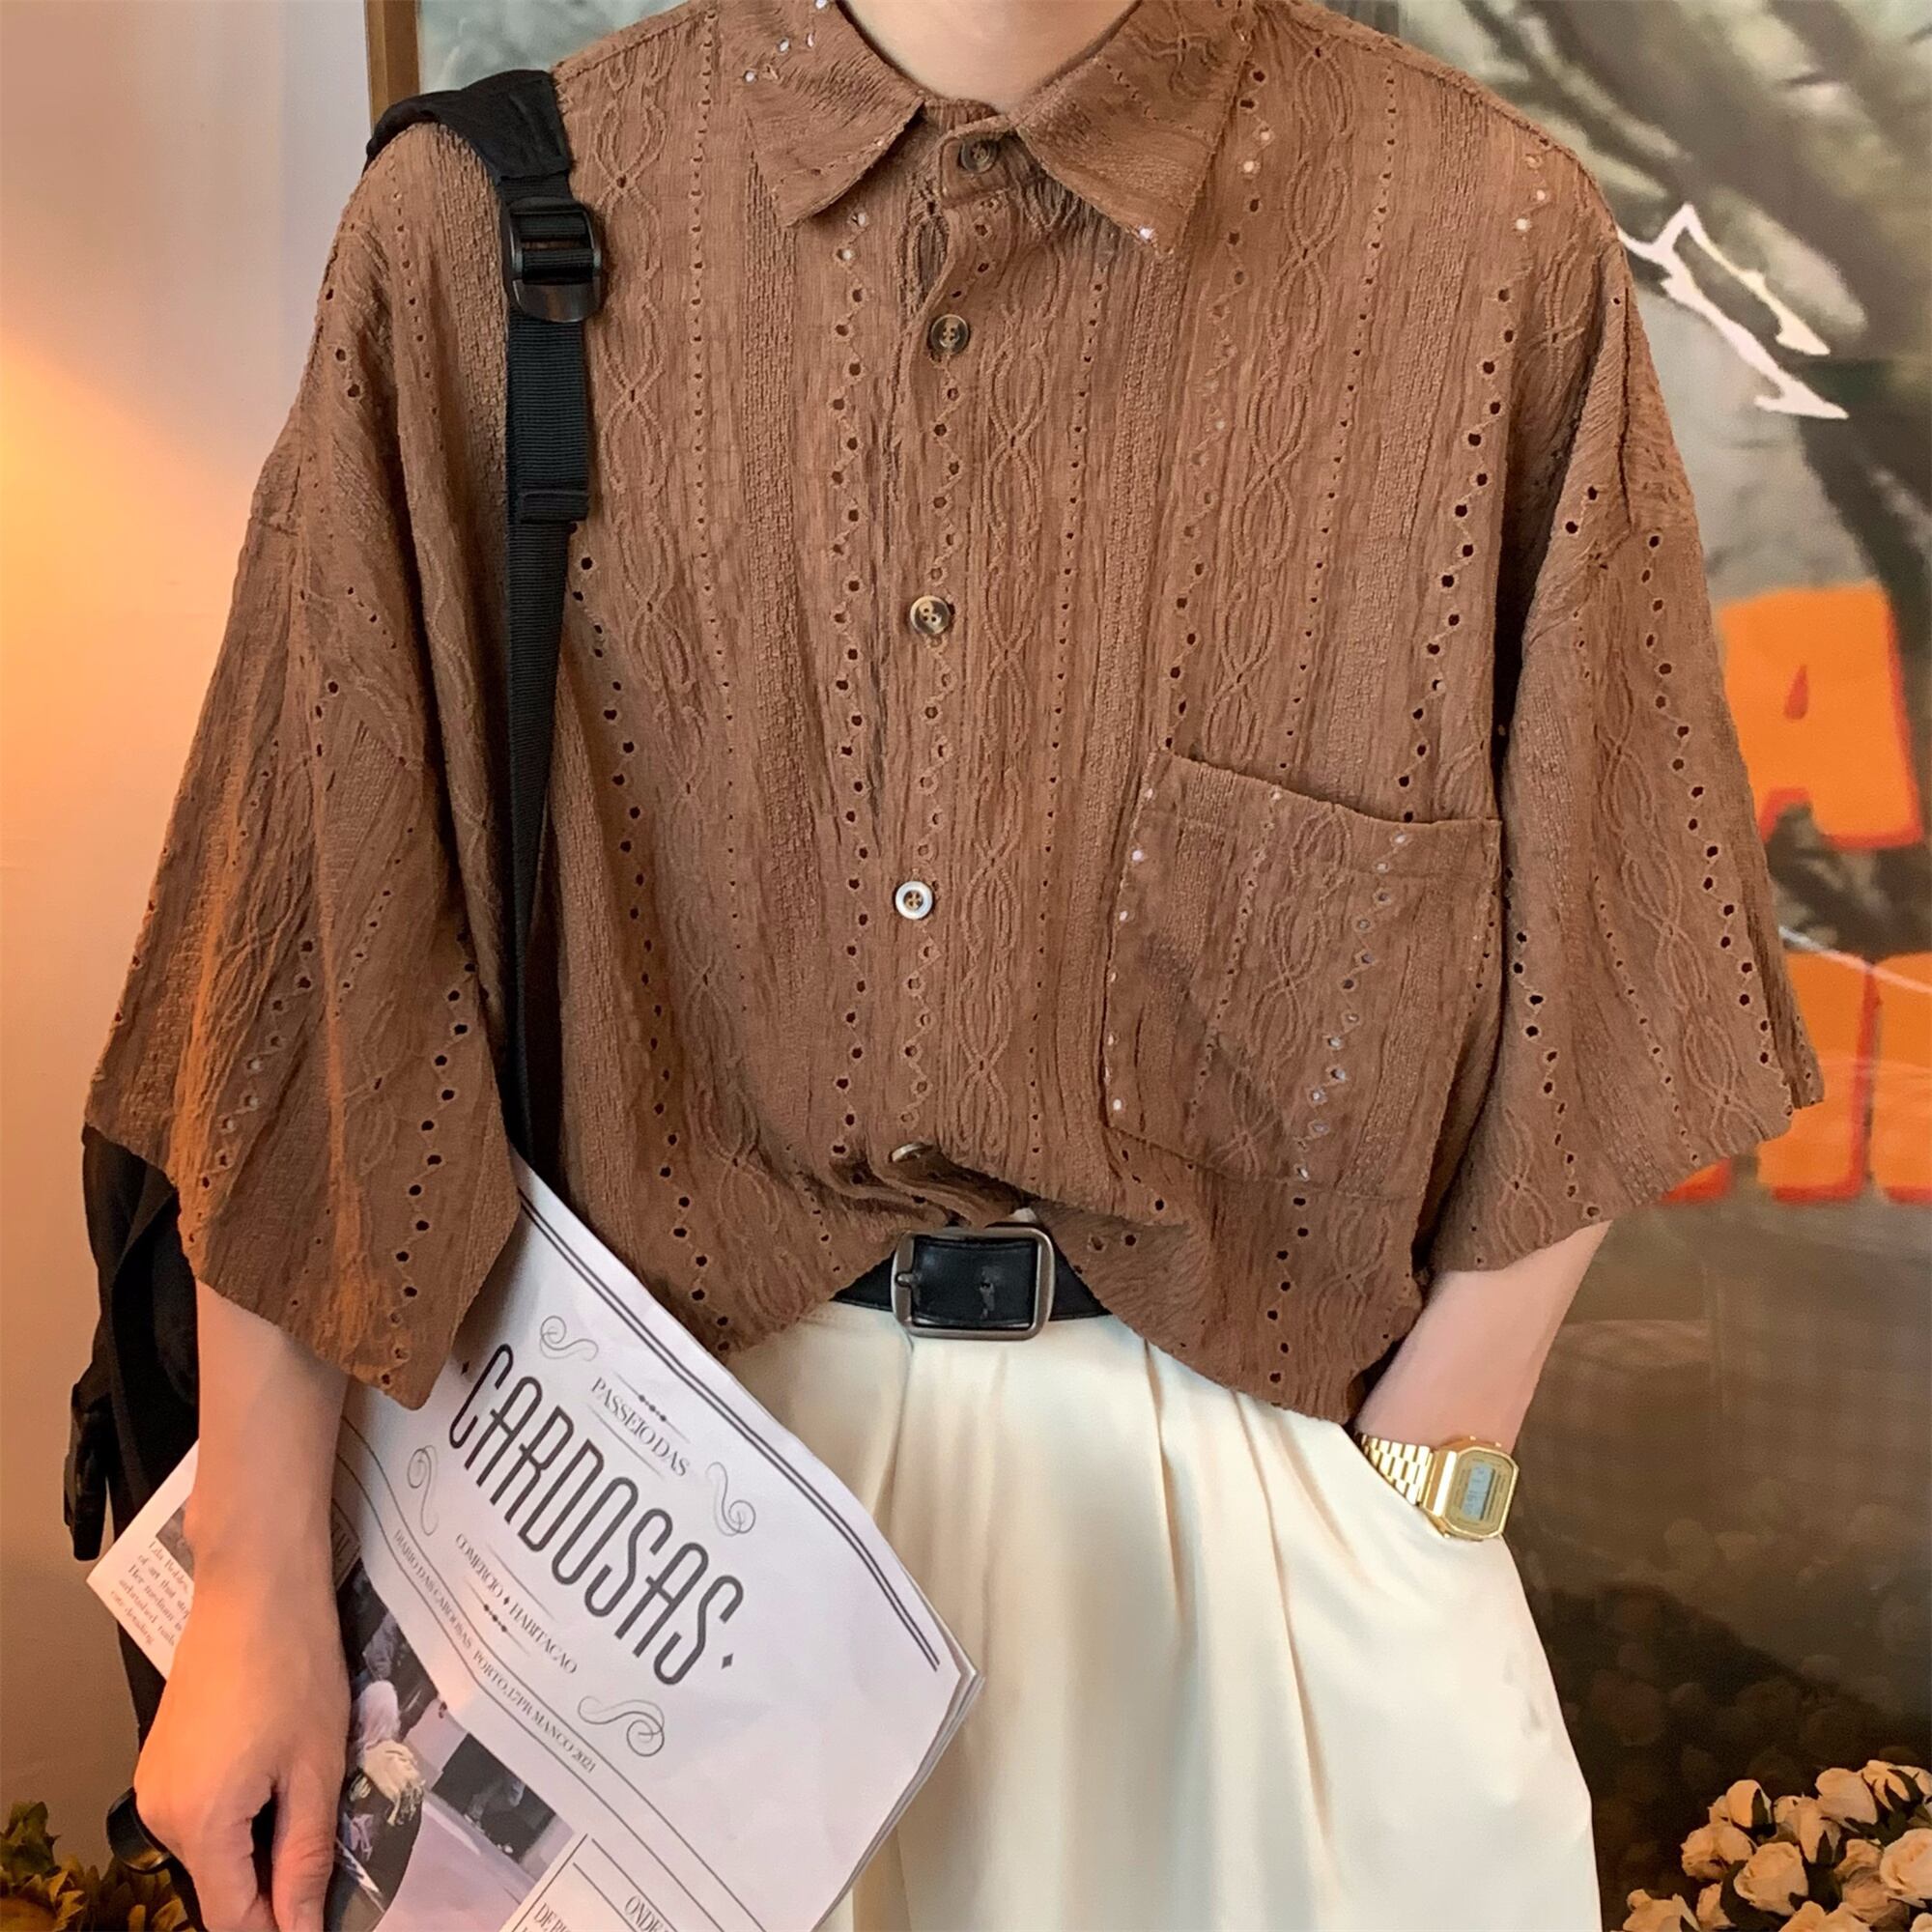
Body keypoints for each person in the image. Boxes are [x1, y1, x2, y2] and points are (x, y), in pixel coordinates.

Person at [88, 0, 1827, 1926]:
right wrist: (255, 1580)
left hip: (1263, 1561)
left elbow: (1613, 934)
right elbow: (313, 936)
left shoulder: (1478, 240)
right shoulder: (484, 225)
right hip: (631, 1533)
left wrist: (1424, 1489)